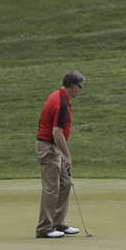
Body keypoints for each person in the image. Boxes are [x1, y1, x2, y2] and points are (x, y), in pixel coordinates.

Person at [34, 72, 82, 238]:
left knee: (66, 183)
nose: (80, 91)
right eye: (80, 87)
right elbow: (57, 133)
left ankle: (58, 223)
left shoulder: (60, 97)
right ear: (74, 87)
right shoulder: (60, 102)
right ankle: (44, 228)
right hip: (48, 148)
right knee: (51, 189)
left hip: (54, 148)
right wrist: (67, 155)